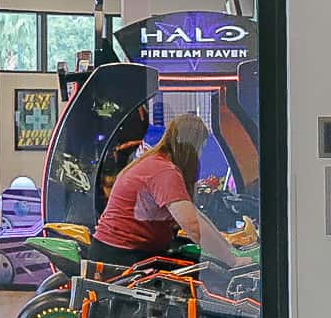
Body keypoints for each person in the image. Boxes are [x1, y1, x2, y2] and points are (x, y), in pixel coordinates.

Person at [89, 112, 239, 268]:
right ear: (191, 146)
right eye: (200, 147)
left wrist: (227, 249)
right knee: (210, 275)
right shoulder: (164, 171)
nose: (200, 155)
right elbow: (193, 226)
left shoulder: (157, 162)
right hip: (121, 256)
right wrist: (231, 261)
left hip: (120, 251)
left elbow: (196, 216)